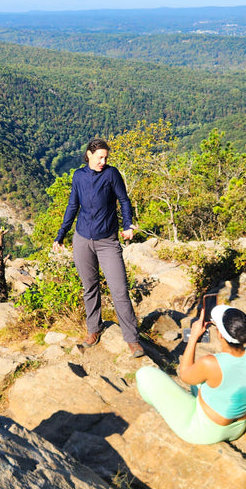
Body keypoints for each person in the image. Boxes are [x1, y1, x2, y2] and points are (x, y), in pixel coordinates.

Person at [53, 139, 144, 357]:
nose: (103, 161)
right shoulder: (78, 176)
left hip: (107, 241)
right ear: (89, 155)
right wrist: (60, 235)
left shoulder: (111, 174)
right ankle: (94, 329)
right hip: (82, 239)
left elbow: (124, 200)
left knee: (119, 290)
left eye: (106, 157)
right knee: (90, 287)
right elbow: (73, 205)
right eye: (99, 157)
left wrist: (127, 224)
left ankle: (132, 340)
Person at [135, 304, 246, 444]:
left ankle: (160, 406)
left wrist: (193, 337)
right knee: (203, 377)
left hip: (204, 432)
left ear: (220, 334)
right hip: (238, 427)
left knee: (145, 374)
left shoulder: (211, 363)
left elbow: (184, 374)